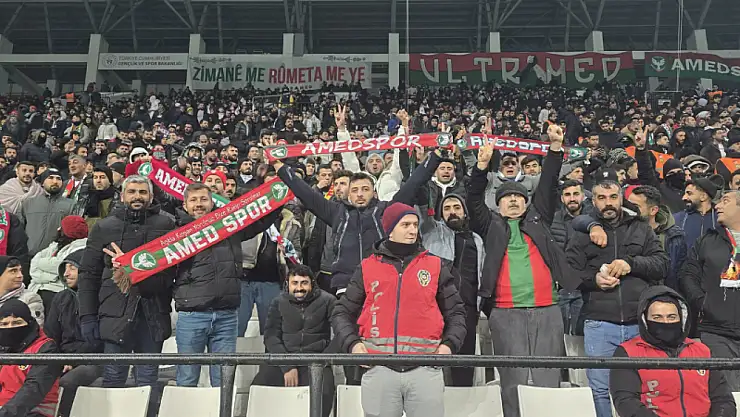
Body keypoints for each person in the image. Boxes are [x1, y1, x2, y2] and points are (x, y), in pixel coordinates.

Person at [467, 125, 579, 417]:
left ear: (527, 203)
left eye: (519, 197)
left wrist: (555, 148)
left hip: (547, 308)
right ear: (498, 204)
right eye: (507, 198)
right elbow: (473, 199)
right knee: (512, 382)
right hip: (505, 311)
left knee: (548, 379)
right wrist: (481, 167)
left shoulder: (539, 219)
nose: (514, 200)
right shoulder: (490, 225)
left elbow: (548, 184)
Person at [332, 202, 466, 417]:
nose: (413, 230)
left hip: (426, 367)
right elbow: (341, 313)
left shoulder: (436, 265)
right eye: (405, 225)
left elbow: (457, 313)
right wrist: (353, 345)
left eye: (415, 224)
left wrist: (448, 346)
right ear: (390, 229)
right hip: (378, 367)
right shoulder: (367, 266)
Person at [566, 175, 669, 417]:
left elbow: (662, 264)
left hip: (639, 322)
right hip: (599, 323)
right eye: (602, 198)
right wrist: (594, 280)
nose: (608, 203)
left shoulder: (640, 228)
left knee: (644, 388)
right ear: (593, 201)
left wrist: (631, 264)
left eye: (613, 197)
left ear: (621, 198)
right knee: (600, 390)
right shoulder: (582, 232)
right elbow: (568, 273)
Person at [273, 139, 433, 294]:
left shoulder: (386, 210)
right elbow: (305, 192)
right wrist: (278, 166)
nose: (360, 194)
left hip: (383, 282)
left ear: (374, 193)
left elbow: (413, 184)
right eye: (355, 190)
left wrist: (436, 156)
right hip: (346, 285)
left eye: (365, 189)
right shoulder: (337, 212)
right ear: (349, 194)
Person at [77, 175, 175, 393]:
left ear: (151, 196)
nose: (137, 196)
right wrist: (87, 316)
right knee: (113, 379)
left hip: (153, 312)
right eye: (132, 192)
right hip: (114, 313)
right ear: (122, 196)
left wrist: (131, 268)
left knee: (148, 382)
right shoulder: (104, 227)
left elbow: (170, 272)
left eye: (142, 192)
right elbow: (88, 274)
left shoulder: (166, 225)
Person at [174, 182, 276, 387]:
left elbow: (260, 221)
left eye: (204, 199)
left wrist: (278, 199)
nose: (199, 204)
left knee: (223, 381)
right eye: (193, 200)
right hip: (192, 315)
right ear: (185, 205)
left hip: (226, 316)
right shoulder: (174, 233)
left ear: (212, 202)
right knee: (187, 378)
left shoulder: (228, 227)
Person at [610, 286, 736, 417]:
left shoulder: (702, 351)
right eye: (657, 317)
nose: (665, 322)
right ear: (644, 320)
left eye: (671, 317)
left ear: (682, 318)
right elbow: (626, 402)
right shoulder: (628, 352)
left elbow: (723, 399)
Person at [252, 264, 336, 417]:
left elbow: (339, 334)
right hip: (283, 358)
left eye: (304, 283)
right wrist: (287, 365)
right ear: (288, 284)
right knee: (259, 387)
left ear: (312, 283)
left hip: (316, 361)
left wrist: (323, 360)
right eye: (295, 283)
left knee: (324, 390)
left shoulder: (328, 301)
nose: (299, 288)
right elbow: (271, 337)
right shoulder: (278, 301)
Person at [420, 190, 484, 386]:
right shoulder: (431, 232)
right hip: (436, 308)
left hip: (467, 310)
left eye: (457, 207)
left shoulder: (477, 239)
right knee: (433, 367)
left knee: (463, 367)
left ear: (465, 212)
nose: (452, 212)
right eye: (446, 208)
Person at [680, 190, 740, 391]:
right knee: (727, 394)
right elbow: (688, 275)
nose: (717, 206)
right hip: (716, 332)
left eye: (725, 201)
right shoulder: (707, 240)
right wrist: (703, 302)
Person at [238, 168, 302, 336]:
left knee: (271, 331)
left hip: (272, 281)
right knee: (236, 330)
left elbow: (297, 253)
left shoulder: (291, 221)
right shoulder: (247, 217)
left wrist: (288, 253)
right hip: (244, 280)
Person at [44, 249, 103, 417]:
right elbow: (50, 336)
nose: (66, 274)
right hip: (63, 359)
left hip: (95, 360)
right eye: (65, 268)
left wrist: (73, 361)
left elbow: (100, 341)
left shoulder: (102, 297)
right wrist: (57, 361)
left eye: (72, 268)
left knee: (67, 382)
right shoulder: (60, 298)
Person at [0, 299, 61, 417]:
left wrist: (4, 414)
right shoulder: (4, 348)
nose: (10, 328)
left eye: (17, 322)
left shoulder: (46, 348)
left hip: (36, 412)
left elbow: (34, 389)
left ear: (29, 322)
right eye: (4, 324)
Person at [551, 179, 593, 335]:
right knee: (558, 335)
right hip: (560, 286)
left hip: (584, 286)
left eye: (576, 194)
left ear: (583, 196)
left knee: (580, 335)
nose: (572, 198)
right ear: (562, 198)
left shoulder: (594, 221)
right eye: (567, 195)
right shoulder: (553, 220)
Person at [29, 215, 88, 313]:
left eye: (61, 227)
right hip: (38, 288)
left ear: (67, 232)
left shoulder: (80, 248)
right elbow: (34, 263)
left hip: (57, 293)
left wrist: (41, 264)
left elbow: (61, 266)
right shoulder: (55, 245)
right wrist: (53, 277)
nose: (58, 229)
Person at [20, 168, 75, 257]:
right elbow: (20, 230)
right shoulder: (28, 203)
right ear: (42, 182)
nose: (55, 181)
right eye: (51, 178)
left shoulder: (71, 205)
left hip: (55, 257)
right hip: (29, 255)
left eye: (58, 179)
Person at [674, 177, 719, 250]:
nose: (684, 198)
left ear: (703, 196)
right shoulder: (677, 219)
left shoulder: (720, 218)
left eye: (689, 193)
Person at [0, 256, 44, 326]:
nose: (20, 275)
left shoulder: (30, 298)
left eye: (20, 270)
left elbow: (35, 328)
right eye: (13, 271)